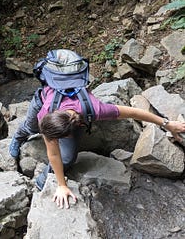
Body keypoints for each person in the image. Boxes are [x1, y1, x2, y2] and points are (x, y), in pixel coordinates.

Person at [9, 84, 185, 209]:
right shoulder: (45, 113)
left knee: (68, 158)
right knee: (30, 127)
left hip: (72, 115)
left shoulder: (96, 109)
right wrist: (62, 184)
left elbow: (132, 112)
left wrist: (167, 124)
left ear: (69, 133)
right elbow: (52, 154)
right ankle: (18, 137)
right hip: (42, 98)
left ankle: (44, 178)